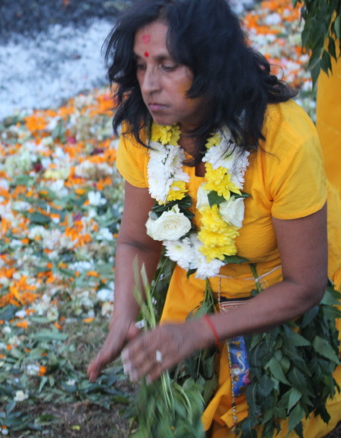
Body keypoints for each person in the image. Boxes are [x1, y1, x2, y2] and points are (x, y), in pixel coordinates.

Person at [86, 0, 341, 436]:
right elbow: (137, 241)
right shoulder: (144, 128)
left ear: (212, 65)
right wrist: (122, 319)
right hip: (202, 289)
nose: (149, 85)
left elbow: (306, 286)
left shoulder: (284, 139)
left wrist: (199, 332)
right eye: (142, 65)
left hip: (287, 300)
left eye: (168, 66)